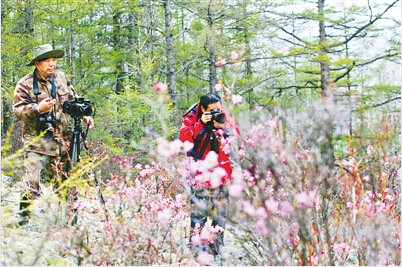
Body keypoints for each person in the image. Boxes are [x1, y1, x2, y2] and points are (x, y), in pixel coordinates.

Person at [12, 44, 94, 227]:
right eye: (47, 61)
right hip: (37, 141)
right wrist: (37, 109)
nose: (52, 64)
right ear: (37, 64)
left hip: (63, 140)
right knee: (32, 182)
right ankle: (23, 221)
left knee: (66, 181)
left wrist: (85, 115)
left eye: (54, 60)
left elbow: (73, 99)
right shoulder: (25, 84)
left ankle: (71, 222)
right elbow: (17, 110)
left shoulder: (62, 78)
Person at [179, 92, 240, 258]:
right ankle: (197, 250)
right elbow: (184, 140)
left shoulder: (223, 115)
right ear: (203, 108)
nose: (217, 112)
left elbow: (236, 137)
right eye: (212, 110)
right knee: (199, 213)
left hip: (222, 173)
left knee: (220, 213)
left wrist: (224, 128)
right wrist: (201, 124)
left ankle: (216, 248)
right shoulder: (191, 117)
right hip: (199, 174)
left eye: (219, 108)